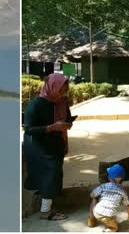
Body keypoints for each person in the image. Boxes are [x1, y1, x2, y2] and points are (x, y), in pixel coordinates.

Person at [23, 74, 74, 220]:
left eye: (65, 91)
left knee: (55, 174)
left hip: (56, 142)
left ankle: (49, 203)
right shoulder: (36, 105)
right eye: (60, 90)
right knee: (49, 175)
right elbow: (29, 129)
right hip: (39, 146)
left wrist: (68, 124)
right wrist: (51, 127)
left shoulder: (62, 102)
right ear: (52, 87)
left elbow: (67, 117)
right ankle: (45, 212)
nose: (63, 94)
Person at [88, 164, 129, 232]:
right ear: (122, 179)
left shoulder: (104, 186)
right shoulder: (123, 191)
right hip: (108, 215)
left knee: (94, 199)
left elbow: (92, 194)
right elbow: (128, 205)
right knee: (115, 227)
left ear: (109, 177)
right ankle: (112, 228)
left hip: (97, 211)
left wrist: (94, 196)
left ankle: (91, 219)